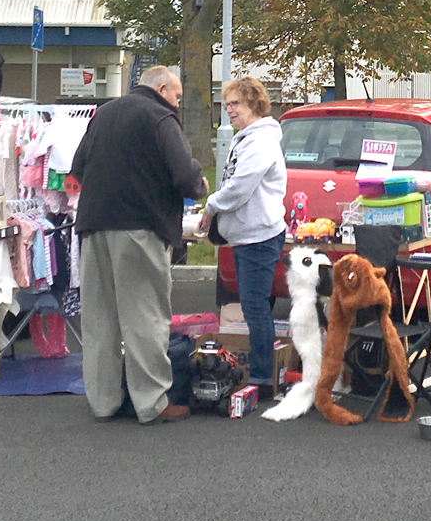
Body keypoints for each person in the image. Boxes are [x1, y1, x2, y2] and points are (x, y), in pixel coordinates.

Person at [70, 65, 208, 424]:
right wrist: (200, 185)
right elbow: (183, 173)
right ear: (162, 89)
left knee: (100, 318)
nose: (177, 104)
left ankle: (103, 401)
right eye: (176, 96)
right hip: (140, 228)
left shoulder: (105, 113)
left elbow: (78, 166)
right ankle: (152, 403)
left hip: (93, 225)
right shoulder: (161, 118)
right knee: (144, 315)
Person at [199, 77, 287, 392]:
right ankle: (263, 374)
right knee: (254, 306)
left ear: (253, 103)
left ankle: (263, 378)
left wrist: (211, 206)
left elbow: (239, 188)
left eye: (235, 104)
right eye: (226, 104)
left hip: (259, 237)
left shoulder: (260, 142)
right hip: (247, 236)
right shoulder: (248, 138)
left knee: (255, 307)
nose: (229, 111)